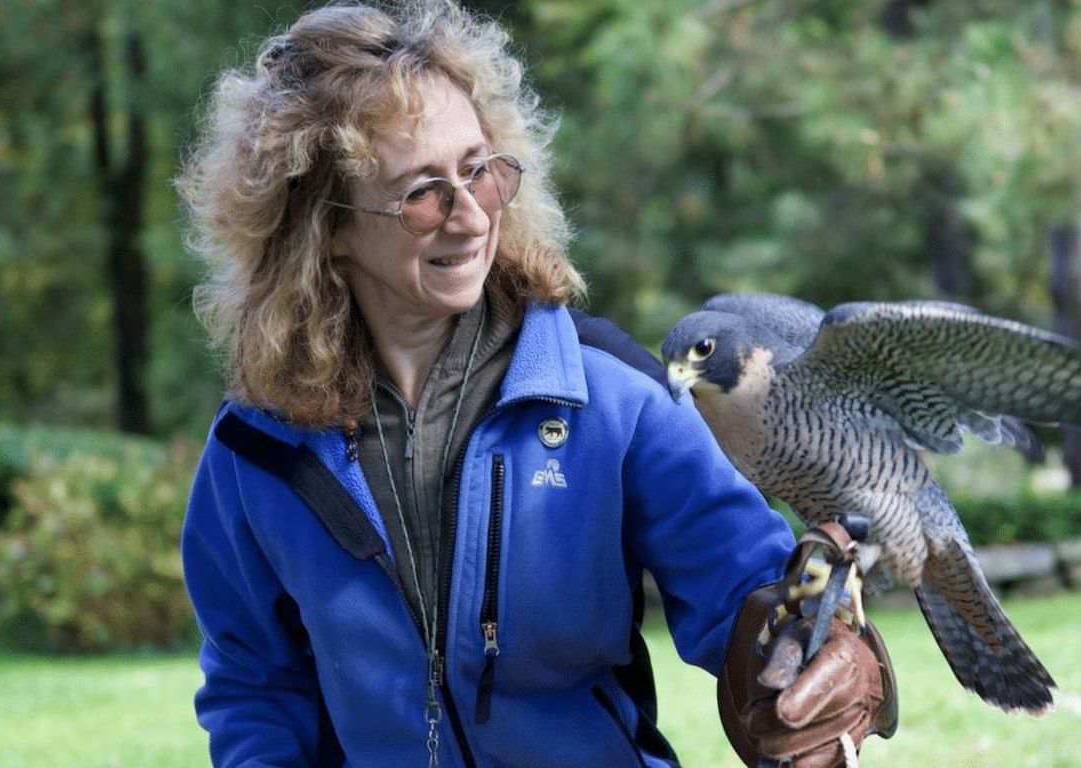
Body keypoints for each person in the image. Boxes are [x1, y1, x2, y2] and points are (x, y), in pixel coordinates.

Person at [177, 2, 893, 766]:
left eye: (479, 171)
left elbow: (747, 587)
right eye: (424, 192)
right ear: (327, 225)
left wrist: (818, 657)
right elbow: (256, 688)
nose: (470, 217)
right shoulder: (256, 449)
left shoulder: (610, 395)